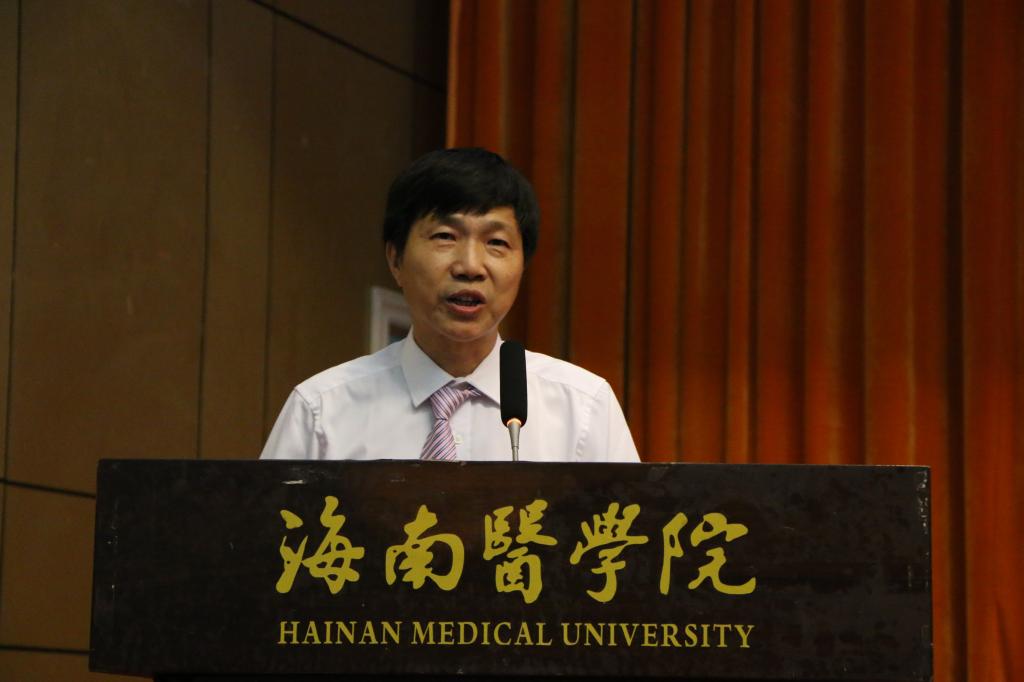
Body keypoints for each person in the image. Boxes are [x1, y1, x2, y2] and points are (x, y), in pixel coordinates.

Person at [260, 148, 639, 463]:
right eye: (445, 236)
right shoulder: (322, 412)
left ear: (523, 265)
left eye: (497, 243)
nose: (470, 266)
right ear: (395, 259)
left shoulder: (584, 410)